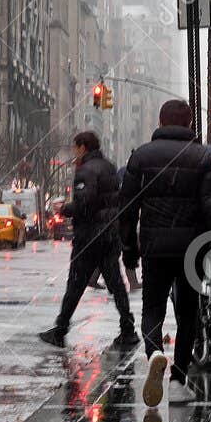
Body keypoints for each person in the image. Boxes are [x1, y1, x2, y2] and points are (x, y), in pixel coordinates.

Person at [120, 99, 211, 408]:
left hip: (154, 247)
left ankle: (154, 352)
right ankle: (179, 381)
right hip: (191, 249)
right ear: (190, 123)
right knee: (187, 314)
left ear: (161, 121)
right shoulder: (203, 158)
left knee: (152, 307)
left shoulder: (141, 157)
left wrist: (129, 249)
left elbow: (127, 208)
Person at [40, 131, 137, 350]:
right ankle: (128, 329)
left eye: (76, 148)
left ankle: (60, 330)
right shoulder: (109, 167)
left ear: (83, 147)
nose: (74, 152)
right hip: (109, 234)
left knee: (75, 283)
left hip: (90, 236)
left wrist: (64, 208)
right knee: (116, 284)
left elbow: (86, 203)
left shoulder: (85, 170)